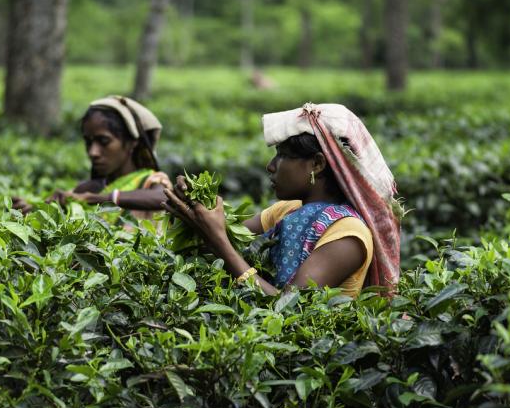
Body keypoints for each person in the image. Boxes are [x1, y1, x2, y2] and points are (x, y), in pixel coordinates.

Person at [163, 103, 401, 297]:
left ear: (317, 164)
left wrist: (218, 240)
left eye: (284, 155)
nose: (271, 166)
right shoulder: (287, 210)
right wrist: (192, 202)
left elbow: (287, 308)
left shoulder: (348, 234)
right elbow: (218, 239)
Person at [13, 95, 171, 222]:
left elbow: (164, 197)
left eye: (104, 141)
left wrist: (102, 199)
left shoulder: (151, 182)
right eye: (88, 142)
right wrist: (33, 210)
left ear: (131, 143)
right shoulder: (86, 189)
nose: (93, 152)